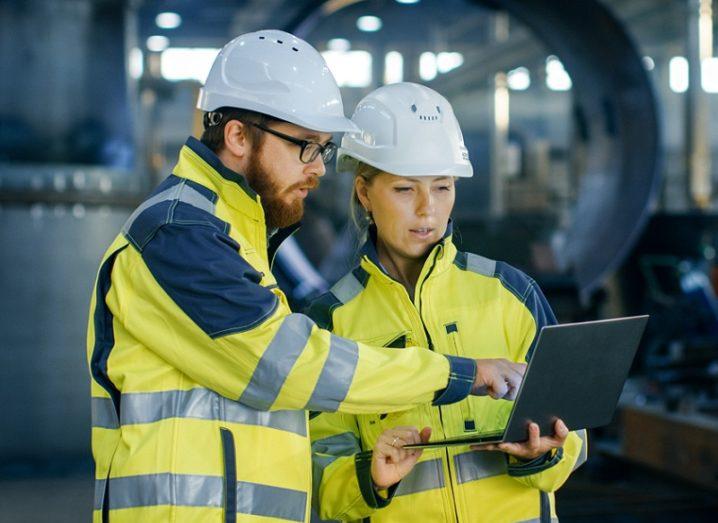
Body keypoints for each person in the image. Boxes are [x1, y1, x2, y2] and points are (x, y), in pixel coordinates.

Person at [86, 31, 527, 523]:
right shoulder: (178, 232)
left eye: (322, 148)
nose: (318, 168)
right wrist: (456, 373)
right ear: (237, 136)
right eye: (305, 146)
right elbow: (285, 365)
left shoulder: (233, 233)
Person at [308, 82, 589, 523]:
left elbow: (574, 433)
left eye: (442, 187)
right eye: (405, 189)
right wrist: (371, 478)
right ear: (364, 193)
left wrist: (541, 452)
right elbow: (317, 475)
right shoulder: (330, 322)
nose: (428, 211)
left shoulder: (511, 293)